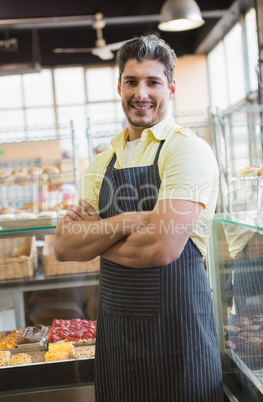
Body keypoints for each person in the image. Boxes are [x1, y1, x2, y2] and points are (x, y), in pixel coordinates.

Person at [54, 34, 223, 402]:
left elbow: (161, 248)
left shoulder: (186, 150)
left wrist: (96, 238)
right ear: (119, 86)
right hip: (117, 347)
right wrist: (131, 219)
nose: (140, 93)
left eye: (153, 82)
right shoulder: (102, 162)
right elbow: (65, 247)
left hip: (180, 344)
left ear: (171, 88)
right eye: (131, 81)